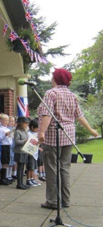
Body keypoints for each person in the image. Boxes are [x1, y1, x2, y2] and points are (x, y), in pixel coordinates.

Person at [38, 68, 98, 209]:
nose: (51, 79)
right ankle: (65, 200)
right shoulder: (72, 95)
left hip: (53, 136)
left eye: (52, 76)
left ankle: (52, 201)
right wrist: (91, 129)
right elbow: (79, 115)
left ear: (55, 79)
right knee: (64, 168)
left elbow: (47, 115)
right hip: (69, 136)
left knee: (52, 169)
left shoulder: (50, 93)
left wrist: (41, 132)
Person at [14, 116, 30, 190]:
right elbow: (16, 141)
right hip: (19, 151)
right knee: (20, 168)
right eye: (25, 123)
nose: (27, 124)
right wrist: (24, 141)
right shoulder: (18, 131)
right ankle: (19, 183)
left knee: (22, 168)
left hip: (24, 151)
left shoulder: (25, 131)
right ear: (21, 124)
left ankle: (21, 183)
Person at [0, 114, 11, 185]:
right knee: (4, 161)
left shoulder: (8, 128)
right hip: (3, 145)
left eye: (7, 120)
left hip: (8, 145)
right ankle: (2, 178)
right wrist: (5, 135)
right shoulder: (0, 129)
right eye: (5, 120)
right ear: (1, 120)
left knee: (7, 162)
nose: (7, 122)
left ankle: (5, 177)